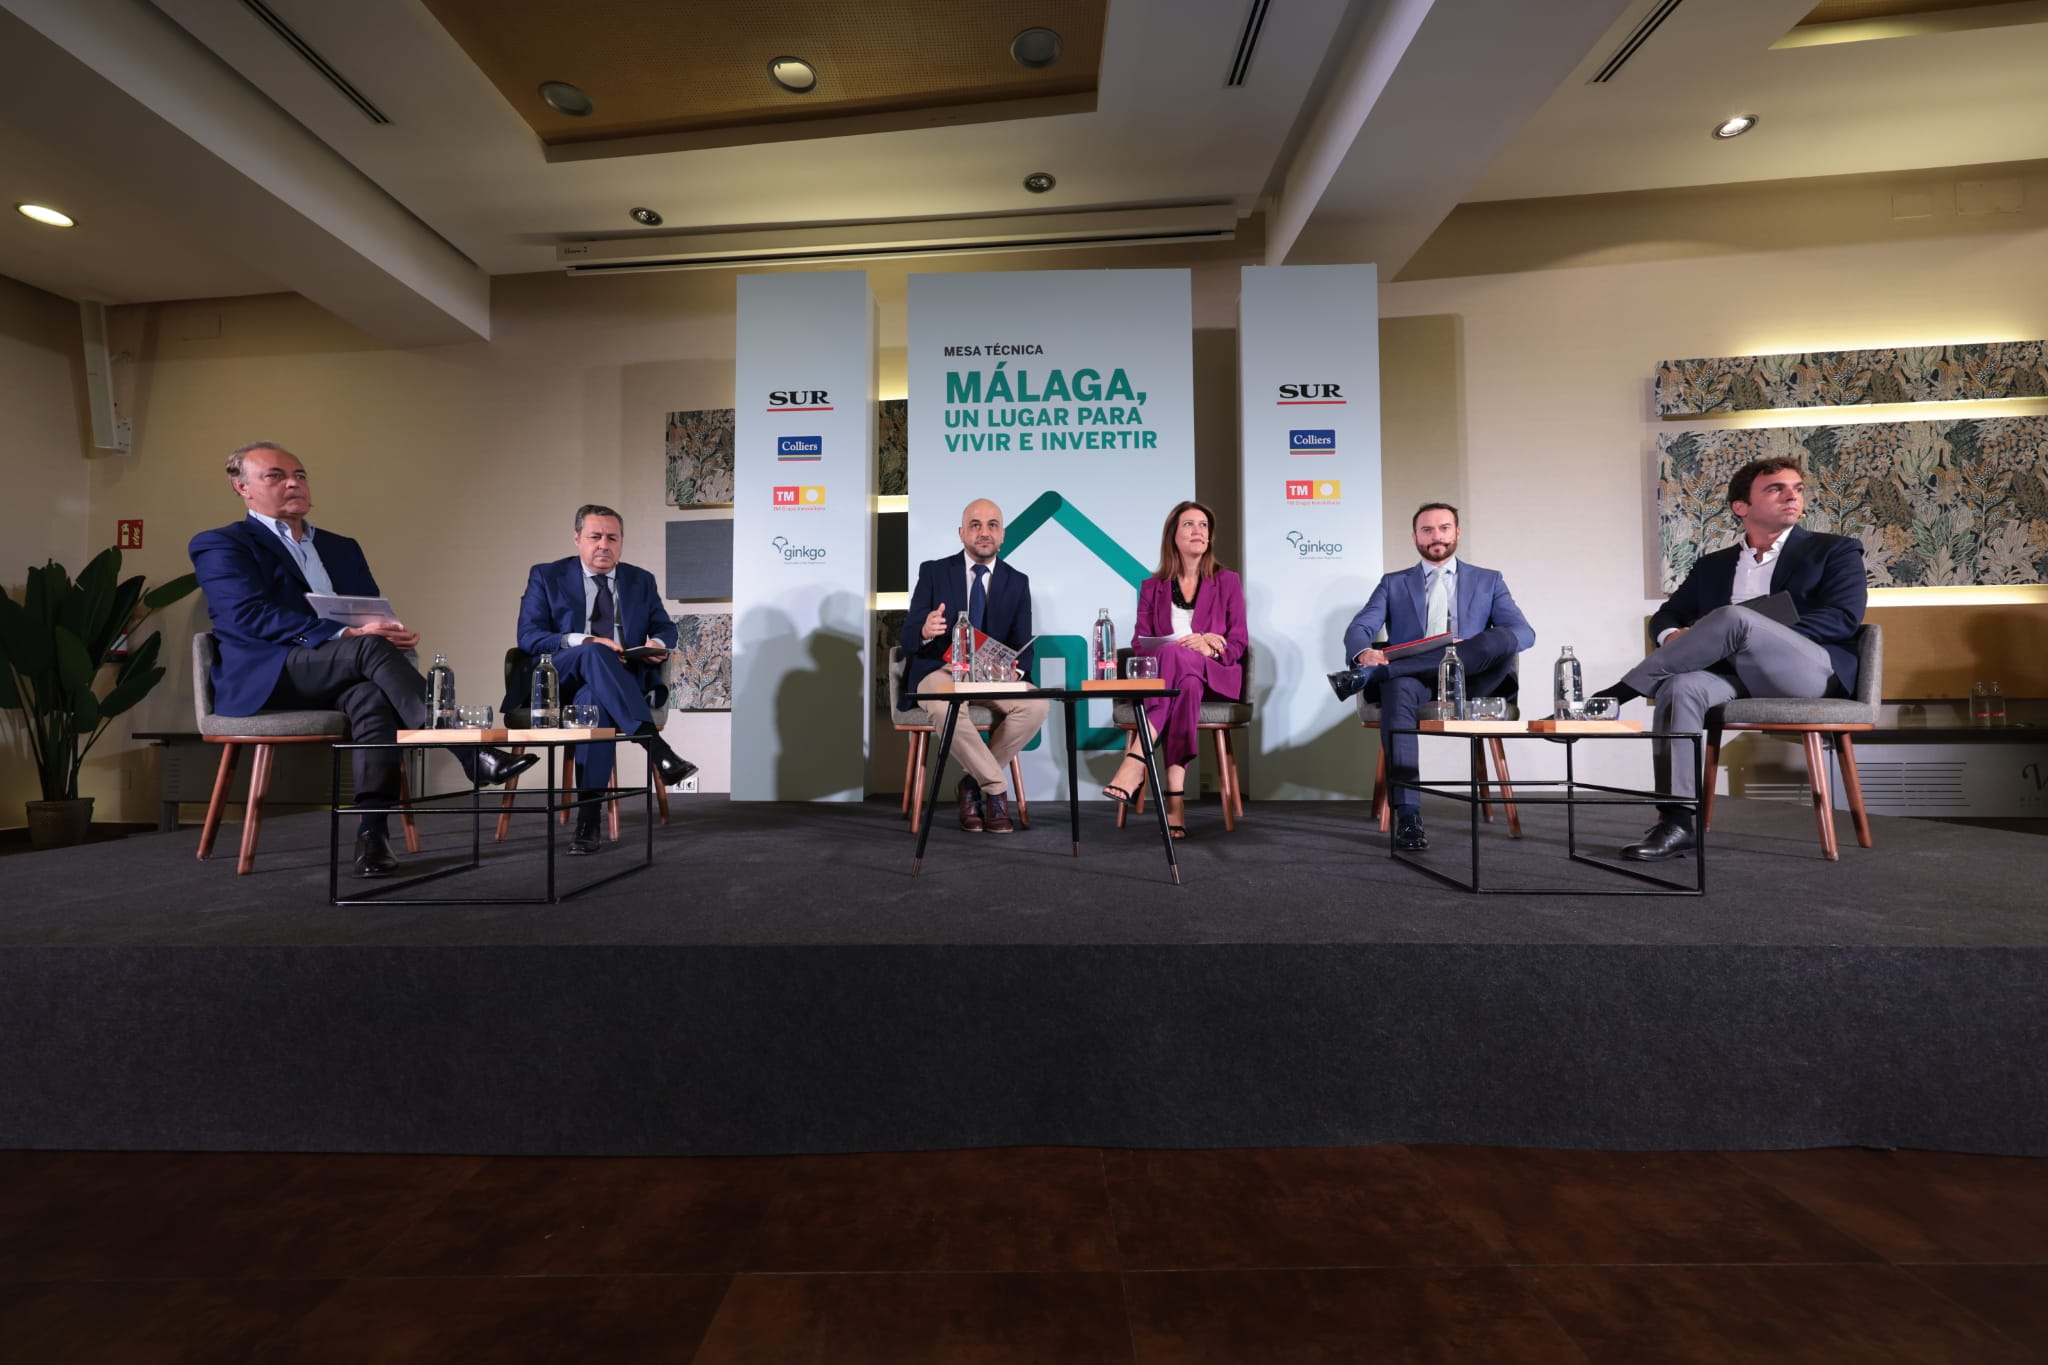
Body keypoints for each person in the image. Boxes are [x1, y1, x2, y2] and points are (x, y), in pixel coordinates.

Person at [189, 442, 537, 878]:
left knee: (372, 695)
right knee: (368, 650)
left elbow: (367, 610)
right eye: (275, 476)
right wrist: (351, 635)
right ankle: (467, 752)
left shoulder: (341, 547)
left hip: (343, 668)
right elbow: (246, 615)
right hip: (267, 674)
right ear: (242, 488)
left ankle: (372, 836)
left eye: (300, 474)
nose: (294, 482)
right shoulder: (221, 544)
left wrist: (387, 630)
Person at [1594, 458, 1867, 861]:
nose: (1793, 495)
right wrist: (1673, 634)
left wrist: (1751, 631)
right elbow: (1668, 615)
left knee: (1735, 618)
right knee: (1679, 686)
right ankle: (1677, 821)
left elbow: (1843, 618)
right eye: (1776, 488)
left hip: (1806, 672)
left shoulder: (1833, 551)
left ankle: (1617, 694)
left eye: (1798, 488)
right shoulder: (1714, 565)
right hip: (1732, 675)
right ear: (1741, 506)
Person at [1333, 502, 1536, 852]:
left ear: (1457, 532)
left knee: (1502, 637)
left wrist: (1469, 647)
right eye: (1427, 530)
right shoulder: (1394, 583)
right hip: (1417, 683)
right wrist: (1364, 653)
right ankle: (1408, 815)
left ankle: (1371, 676)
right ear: (1414, 537)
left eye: (1444, 528)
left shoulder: (1489, 580)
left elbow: (1524, 632)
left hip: (1473, 680)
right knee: (1396, 689)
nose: (1436, 536)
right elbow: (1361, 626)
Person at [510, 504, 696, 856]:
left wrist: (656, 643)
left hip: (616, 680)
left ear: (621, 542)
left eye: (612, 538)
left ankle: (588, 821)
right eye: (595, 537)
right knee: (595, 653)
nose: (603, 545)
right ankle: (658, 751)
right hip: (557, 676)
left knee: (593, 703)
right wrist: (585, 641)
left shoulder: (640, 580)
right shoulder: (547, 575)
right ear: (577, 538)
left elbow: (665, 626)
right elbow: (529, 636)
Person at [899, 498, 1048, 834]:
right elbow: (908, 635)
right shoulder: (934, 572)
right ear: (961, 533)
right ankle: (995, 792)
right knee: (944, 704)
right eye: (976, 525)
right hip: (941, 670)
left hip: (991, 677)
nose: (984, 532)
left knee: (1037, 705)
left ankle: (970, 785)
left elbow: (1023, 644)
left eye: (992, 525)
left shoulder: (1017, 581)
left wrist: (1016, 670)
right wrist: (924, 630)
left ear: (1003, 535)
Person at [1101, 500, 1247, 838]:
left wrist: (1211, 643)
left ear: (1209, 538)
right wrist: (1176, 647)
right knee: (1179, 670)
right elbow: (1139, 644)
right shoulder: (1152, 587)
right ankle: (1175, 804)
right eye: (1189, 525)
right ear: (1173, 536)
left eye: (1203, 526)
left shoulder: (1227, 581)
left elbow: (1237, 644)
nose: (1198, 531)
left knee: (1178, 662)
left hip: (1215, 675)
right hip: (1178, 682)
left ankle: (1136, 762)